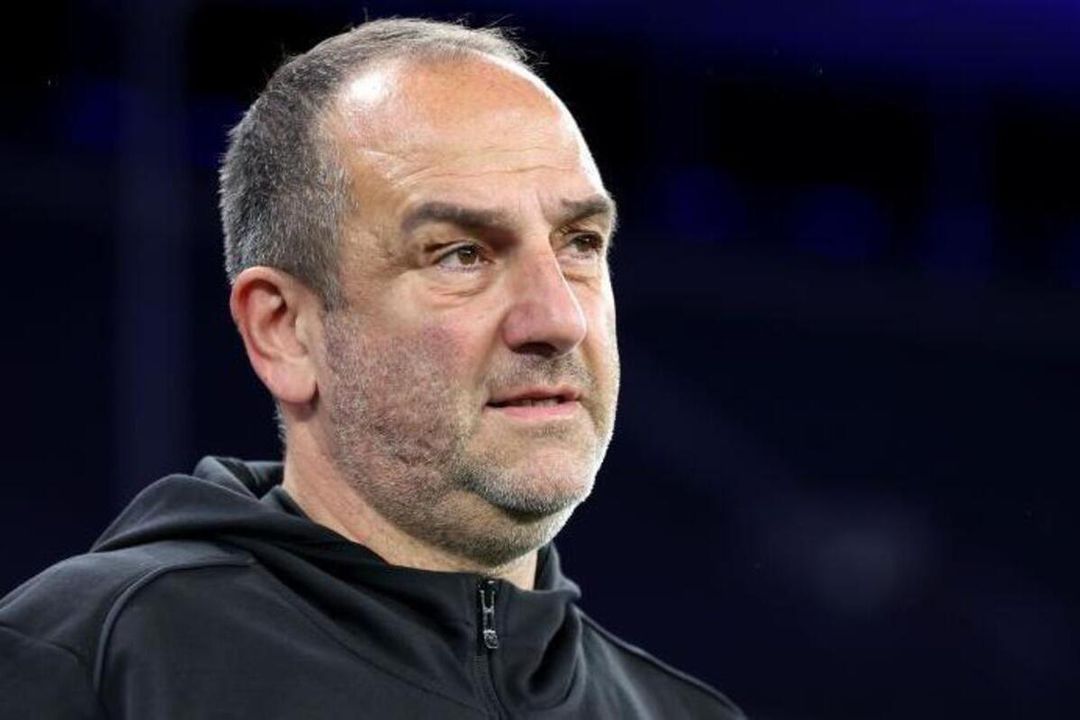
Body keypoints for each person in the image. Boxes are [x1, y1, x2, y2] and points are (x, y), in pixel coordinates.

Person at [0, 18, 744, 719]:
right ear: (285, 331)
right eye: (462, 255)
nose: (559, 319)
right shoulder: (94, 664)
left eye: (580, 243)